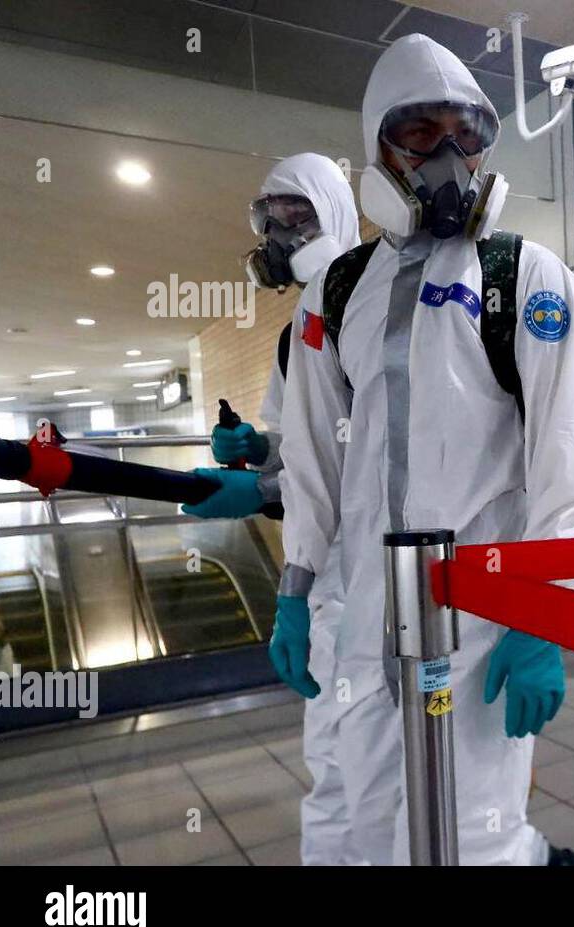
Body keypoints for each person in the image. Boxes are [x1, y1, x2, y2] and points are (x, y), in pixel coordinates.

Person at [275, 33, 574, 866]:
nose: (449, 155)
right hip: (363, 623)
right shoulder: (335, 292)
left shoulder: (526, 277)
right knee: (367, 831)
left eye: (466, 133)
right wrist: (297, 586)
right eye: (421, 133)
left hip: (482, 623)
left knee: (472, 840)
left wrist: (542, 617)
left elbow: (568, 461)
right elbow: (314, 460)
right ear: (379, 146)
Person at [180, 153, 361, 864]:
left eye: (297, 214)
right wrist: (259, 450)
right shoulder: (298, 331)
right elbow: (304, 443)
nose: (281, 234)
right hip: (327, 582)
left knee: (384, 760)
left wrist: (262, 491)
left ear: (337, 212)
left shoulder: (373, 308)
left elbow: (371, 461)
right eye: (271, 218)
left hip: (386, 577)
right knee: (335, 763)